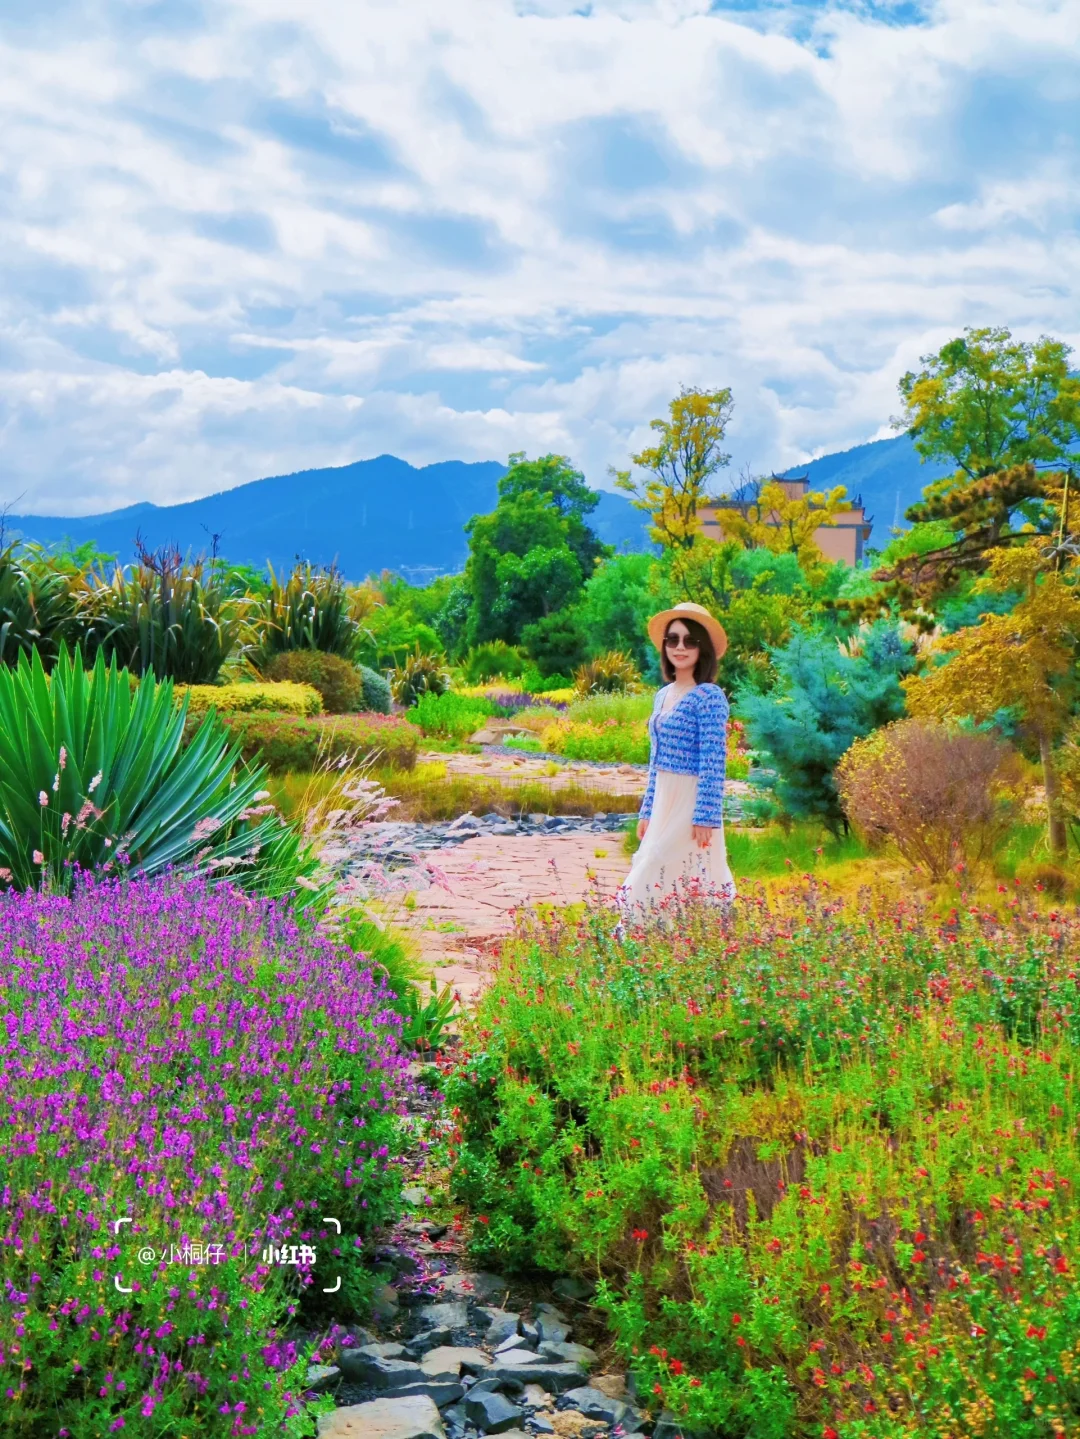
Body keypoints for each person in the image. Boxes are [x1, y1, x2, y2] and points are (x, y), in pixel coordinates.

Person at [618, 602, 735, 914]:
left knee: (664, 865)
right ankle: (665, 935)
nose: (680, 647)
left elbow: (714, 760)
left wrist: (706, 815)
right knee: (666, 873)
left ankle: (691, 929)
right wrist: (647, 810)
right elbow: (655, 761)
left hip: (691, 799)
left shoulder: (709, 697)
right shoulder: (663, 695)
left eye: (689, 640)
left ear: (702, 647)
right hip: (664, 798)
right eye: (672, 639)